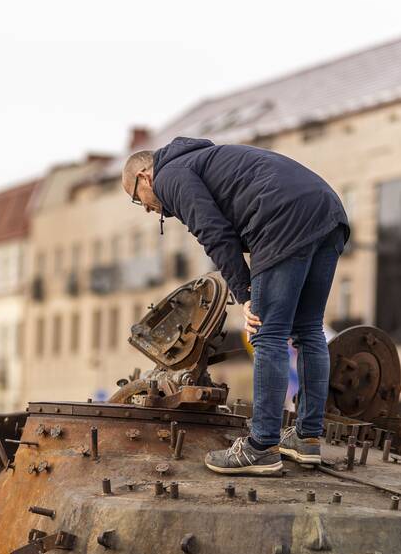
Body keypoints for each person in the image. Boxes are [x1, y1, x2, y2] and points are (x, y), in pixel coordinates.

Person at [123, 137, 348, 475]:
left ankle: (261, 446)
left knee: (267, 333)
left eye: (136, 199)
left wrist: (245, 294)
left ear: (144, 176)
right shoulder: (201, 159)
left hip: (282, 217)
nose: (146, 209)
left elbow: (214, 233)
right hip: (328, 210)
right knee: (308, 331)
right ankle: (307, 437)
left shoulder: (169, 175)